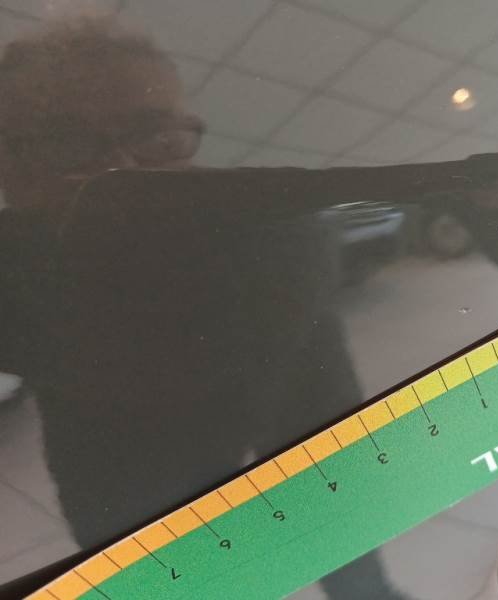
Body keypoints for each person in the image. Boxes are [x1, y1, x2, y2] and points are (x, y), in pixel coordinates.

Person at [0, 17, 409, 599]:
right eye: (65, 145)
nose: (121, 175)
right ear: (9, 170)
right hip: (112, 471)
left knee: (347, 549)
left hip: (277, 410)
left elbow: (325, 429)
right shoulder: (14, 269)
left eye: (156, 138)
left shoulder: (274, 237)